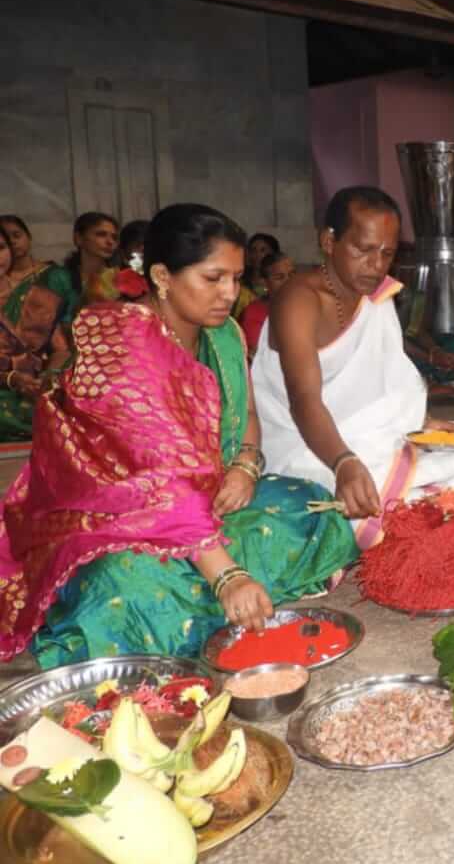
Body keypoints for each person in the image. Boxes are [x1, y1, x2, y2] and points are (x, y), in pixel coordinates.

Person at [0, 204, 359, 666]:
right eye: (213, 278)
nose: (230, 293)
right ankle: (213, 591)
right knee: (121, 589)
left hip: (209, 500)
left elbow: (247, 413)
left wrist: (245, 466)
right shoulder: (120, 343)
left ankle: (207, 591)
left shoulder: (224, 334)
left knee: (314, 506)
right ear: (162, 276)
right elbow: (157, 480)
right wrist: (226, 576)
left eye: (236, 278)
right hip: (120, 517)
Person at [253, 187, 454, 547]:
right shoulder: (298, 300)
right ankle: (411, 514)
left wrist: (421, 421)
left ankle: (413, 514)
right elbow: (304, 400)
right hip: (309, 445)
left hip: (375, 434)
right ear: (329, 241)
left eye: (387, 253)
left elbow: (388, 379)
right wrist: (344, 463)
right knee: (359, 499)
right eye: (364, 249)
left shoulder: (379, 295)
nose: (376, 265)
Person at [0, 226, 73, 440]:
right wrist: (12, 379)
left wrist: (48, 377)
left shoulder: (38, 296)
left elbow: (61, 350)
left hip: (36, 384)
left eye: (1, 248)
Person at [238, 250, 294, 359]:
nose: (288, 281)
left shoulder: (306, 306)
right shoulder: (254, 313)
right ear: (264, 282)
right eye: (279, 277)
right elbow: (256, 355)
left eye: (292, 274)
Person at [65, 211, 120, 307]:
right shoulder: (61, 277)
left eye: (114, 237)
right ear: (78, 238)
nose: (110, 242)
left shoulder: (120, 277)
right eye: (101, 234)